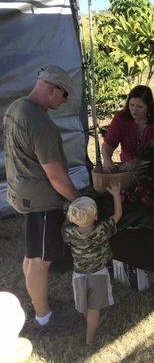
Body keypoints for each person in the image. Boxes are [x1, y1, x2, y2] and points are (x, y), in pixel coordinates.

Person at [3, 65, 80, 330]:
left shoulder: (15, 109)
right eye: (64, 94)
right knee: (41, 260)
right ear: (51, 88)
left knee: (32, 253)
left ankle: (38, 303)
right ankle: (44, 318)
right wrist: (77, 199)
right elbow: (56, 177)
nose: (65, 100)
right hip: (41, 201)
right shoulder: (41, 124)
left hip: (20, 192)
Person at [61, 182, 122, 344]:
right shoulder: (101, 229)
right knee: (94, 309)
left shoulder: (68, 232)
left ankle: (91, 323)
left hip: (78, 274)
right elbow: (118, 216)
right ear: (96, 216)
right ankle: (90, 337)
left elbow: (66, 225)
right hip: (98, 274)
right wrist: (116, 195)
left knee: (86, 306)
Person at [102, 85, 154, 172]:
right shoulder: (121, 118)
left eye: (140, 107)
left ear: (149, 107)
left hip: (153, 169)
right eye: (131, 105)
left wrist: (137, 162)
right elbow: (109, 144)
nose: (134, 110)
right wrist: (107, 159)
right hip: (127, 169)